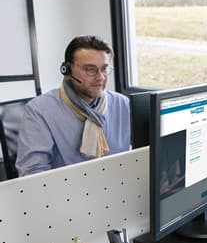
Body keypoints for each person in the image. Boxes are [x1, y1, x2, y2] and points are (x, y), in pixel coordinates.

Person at [16, 35, 130, 176]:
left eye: (104, 69)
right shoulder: (39, 111)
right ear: (67, 70)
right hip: (65, 195)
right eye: (90, 69)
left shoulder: (123, 104)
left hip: (118, 188)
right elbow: (32, 174)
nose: (100, 77)